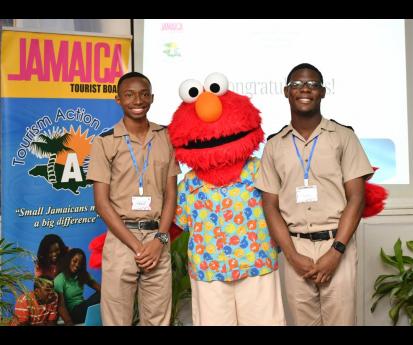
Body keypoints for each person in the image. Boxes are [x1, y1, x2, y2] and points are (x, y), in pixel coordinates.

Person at [254, 63, 374, 326]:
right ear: (286, 92)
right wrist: (292, 255)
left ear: (323, 92)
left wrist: (336, 252)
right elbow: (270, 206)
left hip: (337, 244)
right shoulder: (274, 145)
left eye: (312, 84)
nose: (304, 89)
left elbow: (357, 197)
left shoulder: (344, 137)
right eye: (296, 85)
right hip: (294, 248)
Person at [169, 72, 285, 325]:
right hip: (209, 270)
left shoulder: (258, 169)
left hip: (257, 265)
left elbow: (285, 206)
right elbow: (175, 224)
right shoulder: (190, 182)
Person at [87, 71, 180, 326]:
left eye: (143, 94)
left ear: (152, 98)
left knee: (158, 319)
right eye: (129, 95)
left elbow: (172, 194)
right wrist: (137, 247)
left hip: (157, 239)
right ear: (118, 99)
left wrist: (159, 240)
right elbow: (101, 204)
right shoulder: (105, 142)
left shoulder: (166, 138)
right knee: (117, 319)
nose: (137, 100)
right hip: (121, 241)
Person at [53, 248, 101, 325]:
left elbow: (100, 289)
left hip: (83, 308)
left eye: (80, 263)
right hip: (73, 313)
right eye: (75, 261)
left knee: (104, 293)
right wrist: (69, 322)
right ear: (69, 260)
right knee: (102, 295)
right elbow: (61, 306)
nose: (77, 265)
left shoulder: (82, 275)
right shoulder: (60, 279)